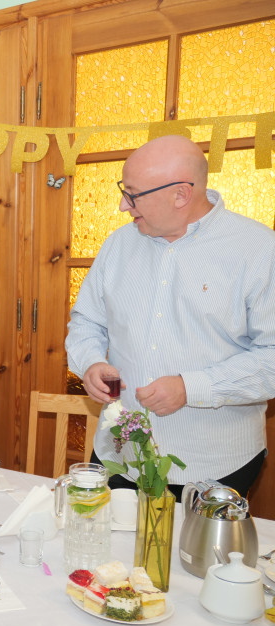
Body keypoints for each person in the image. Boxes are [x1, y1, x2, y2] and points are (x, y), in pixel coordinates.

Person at [67, 134, 275, 500]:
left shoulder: (259, 250)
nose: (122, 205)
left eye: (132, 194)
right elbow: (87, 322)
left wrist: (190, 388)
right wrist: (91, 362)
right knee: (108, 556)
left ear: (181, 194)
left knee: (192, 559)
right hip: (121, 454)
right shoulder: (118, 245)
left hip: (214, 464)